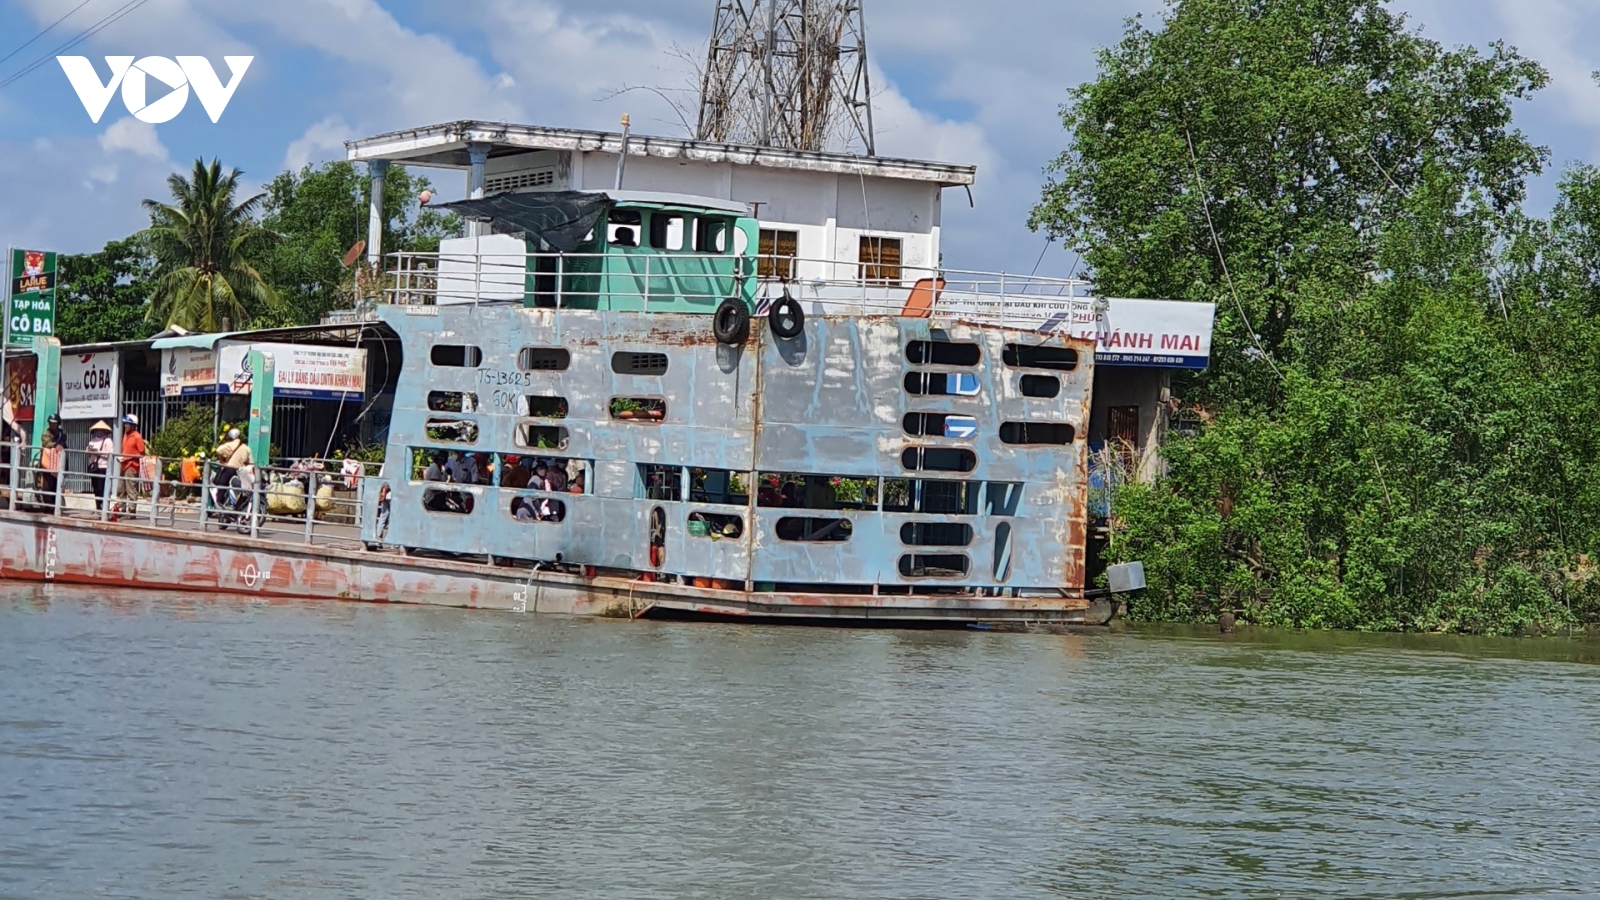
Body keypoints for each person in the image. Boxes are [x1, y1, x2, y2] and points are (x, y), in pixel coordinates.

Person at [116, 414, 145, 518]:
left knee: (131, 488)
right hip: (123, 464)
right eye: (125, 423)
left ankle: (132, 510)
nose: (125, 426)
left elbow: (142, 453)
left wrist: (129, 458)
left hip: (132, 466)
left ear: (133, 425)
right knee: (121, 488)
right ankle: (121, 508)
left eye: (127, 424)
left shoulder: (137, 437)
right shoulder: (125, 435)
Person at [212, 428, 252, 495]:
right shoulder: (246, 448)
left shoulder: (230, 445)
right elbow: (250, 463)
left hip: (230, 469)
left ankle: (218, 502)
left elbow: (218, 450)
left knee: (221, 486)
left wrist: (221, 461)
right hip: (241, 471)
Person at [37, 414, 66, 508]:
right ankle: (48, 507)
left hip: (58, 464)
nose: (52, 425)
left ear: (58, 424)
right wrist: (55, 445)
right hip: (47, 463)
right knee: (47, 486)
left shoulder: (62, 433)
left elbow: (63, 444)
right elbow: (46, 443)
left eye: (54, 423)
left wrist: (60, 446)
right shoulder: (46, 433)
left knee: (57, 485)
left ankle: (55, 506)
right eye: (51, 423)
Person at [86, 420, 113, 512]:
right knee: (96, 488)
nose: (99, 432)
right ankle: (98, 507)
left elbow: (109, 454)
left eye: (101, 430)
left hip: (103, 467)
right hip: (94, 467)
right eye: (97, 430)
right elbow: (87, 453)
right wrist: (90, 450)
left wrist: (97, 452)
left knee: (102, 488)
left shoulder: (108, 441)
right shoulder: (92, 441)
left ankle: (104, 507)